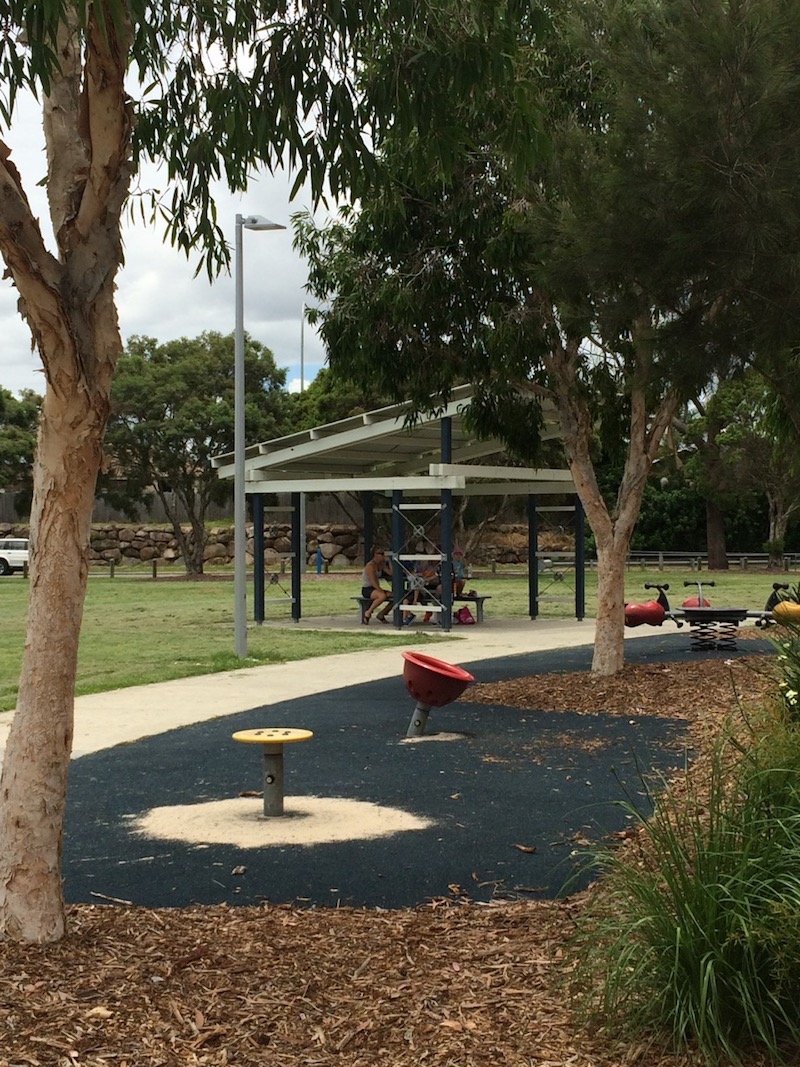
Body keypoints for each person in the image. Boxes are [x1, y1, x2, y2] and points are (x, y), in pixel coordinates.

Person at [360, 546, 392, 623]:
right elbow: (373, 581)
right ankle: (368, 612)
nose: (383, 555)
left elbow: (391, 573)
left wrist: (390, 561)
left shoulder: (381, 565)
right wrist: (381, 590)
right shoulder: (370, 566)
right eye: (380, 554)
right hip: (368, 589)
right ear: (375, 555)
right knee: (382, 596)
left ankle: (382, 613)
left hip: (375, 588)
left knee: (395, 596)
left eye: (383, 554)